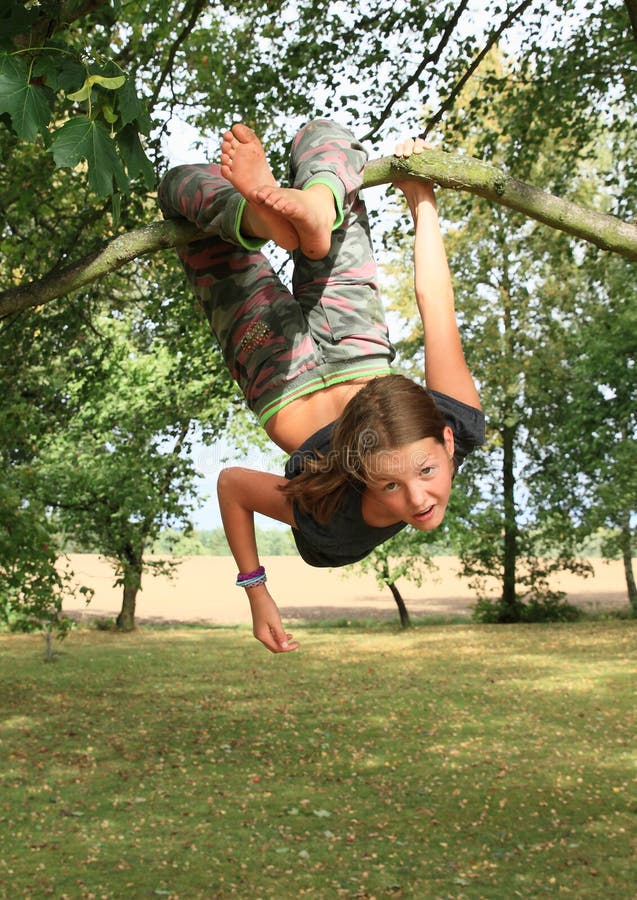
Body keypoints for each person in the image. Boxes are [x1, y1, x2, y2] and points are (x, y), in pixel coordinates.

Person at [158, 119, 484, 654]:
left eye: (392, 486)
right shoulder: (449, 422)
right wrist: (421, 196)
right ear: (446, 442)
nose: (419, 499)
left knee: (179, 184)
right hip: (325, 352)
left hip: (295, 365)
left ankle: (264, 218)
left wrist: (255, 592)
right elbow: (436, 307)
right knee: (321, 133)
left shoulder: (334, 519)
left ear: (356, 472)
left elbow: (232, 485)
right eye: (420, 472)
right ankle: (311, 211)